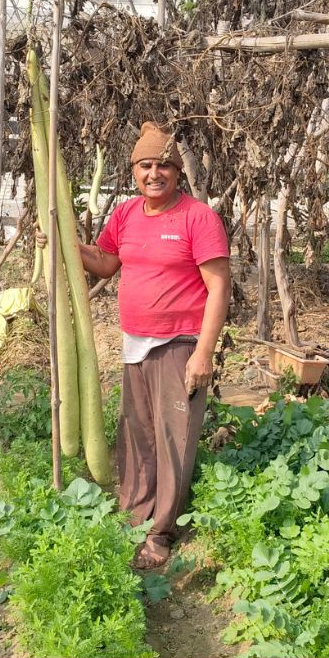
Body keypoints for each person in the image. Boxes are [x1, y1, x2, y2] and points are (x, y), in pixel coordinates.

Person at [76, 121, 231, 570]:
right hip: (135, 342)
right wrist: (68, 243)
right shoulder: (126, 214)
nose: (154, 173)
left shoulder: (198, 218)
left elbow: (219, 288)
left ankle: (162, 530)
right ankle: (135, 512)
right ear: (134, 170)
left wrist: (204, 352)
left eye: (164, 165)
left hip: (179, 343)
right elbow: (105, 264)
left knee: (174, 437)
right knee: (137, 431)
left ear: (177, 172)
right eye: (145, 165)